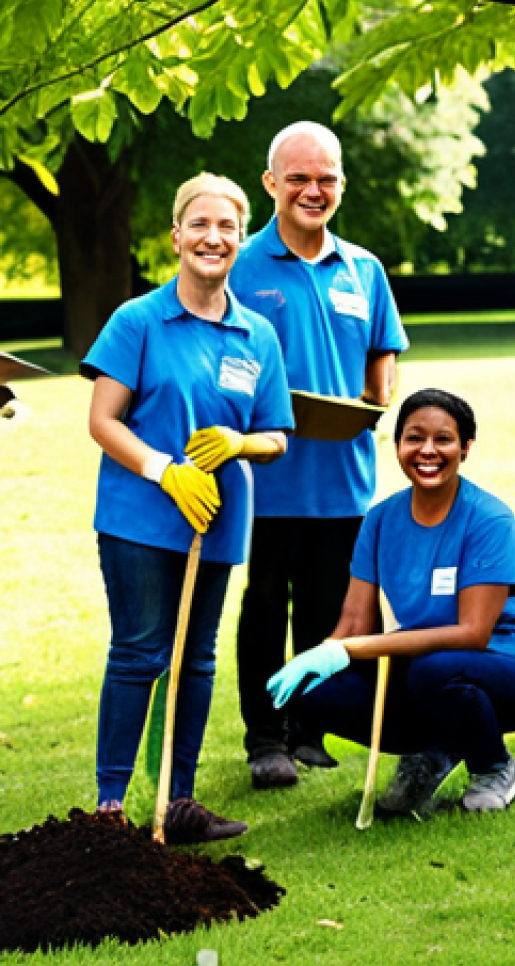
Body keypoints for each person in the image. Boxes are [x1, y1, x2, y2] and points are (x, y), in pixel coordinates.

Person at [81, 173, 294, 843]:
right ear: (177, 236)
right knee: (141, 652)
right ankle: (113, 804)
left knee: (196, 659)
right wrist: (164, 470)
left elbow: (278, 437)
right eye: (200, 224)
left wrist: (241, 441)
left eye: (228, 226)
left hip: (219, 522)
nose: (214, 237)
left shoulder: (256, 334)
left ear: (241, 240)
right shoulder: (138, 320)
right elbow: (103, 420)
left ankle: (177, 800)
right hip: (141, 519)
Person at [267, 389, 515, 816]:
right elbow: (354, 621)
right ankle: (435, 749)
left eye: (443, 439)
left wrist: (348, 650)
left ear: (466, 448)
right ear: (397, 446)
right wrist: (321, 657)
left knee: (435, 671)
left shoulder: (488, 518)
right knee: (318, 693)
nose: (428, 450)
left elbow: (473, 633)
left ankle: (494, 768)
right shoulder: (380, 518)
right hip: (434, 664)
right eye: (414, 438)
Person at [229, 121, 409, 789]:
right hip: (265, 476)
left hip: (345, 475)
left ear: (341, 184)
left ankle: (311, 729)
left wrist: (374, 398)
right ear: (271, 183)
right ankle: (264, 738)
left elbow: (381, 352)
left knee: (331, 609)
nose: (313, 189)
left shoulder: (364, 269)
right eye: (298, 178)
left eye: (325, 178)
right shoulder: (239, 264)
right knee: (266, 603)